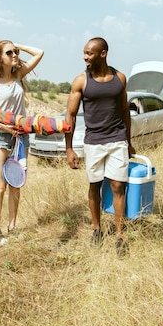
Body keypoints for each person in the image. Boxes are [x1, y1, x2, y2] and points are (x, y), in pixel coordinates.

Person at [64, 37, 135, 256]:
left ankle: (120, 235)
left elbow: (124, 111)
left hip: (117, 140)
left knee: (117, 186)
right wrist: (69, 148)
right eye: (84, 53)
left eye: (90, 53)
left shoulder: (120, 78)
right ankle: (97, 228)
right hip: (93, 142)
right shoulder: (81, 81)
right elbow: (70, 115)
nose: (85, 57)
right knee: (95, 185)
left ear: (103, 53)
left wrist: (129, 142)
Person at [0, 39, 44, 244]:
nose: (14, 55)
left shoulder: (18, 76)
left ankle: (12, 228)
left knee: (16, 184)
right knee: (0, 187)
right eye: (9, 53)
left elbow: (39, 52)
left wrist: (18, 45)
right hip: (1, 136)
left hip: (21, 137)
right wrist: (4, 127)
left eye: (15, 52)